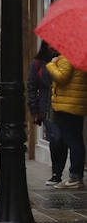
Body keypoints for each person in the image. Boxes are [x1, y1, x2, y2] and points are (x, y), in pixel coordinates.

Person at [46, 52, 87, 189]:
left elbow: (62, 77)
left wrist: (52, 64)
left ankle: (75, 176)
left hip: (68, 105)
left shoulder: (68, 57)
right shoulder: (80, 57)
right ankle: (76, 175)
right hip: (76, 104)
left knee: (73, 140)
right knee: (76, 139)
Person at [28, 41, 66, 185]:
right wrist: (34, 109)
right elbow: (31, 86)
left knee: (63, 139)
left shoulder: (63, 60)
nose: (53, 46)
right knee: (55, 137)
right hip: (46, 106)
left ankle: (59, 170)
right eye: (50, 43)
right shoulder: (38, 63)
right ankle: (56, 172)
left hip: (63, 103)